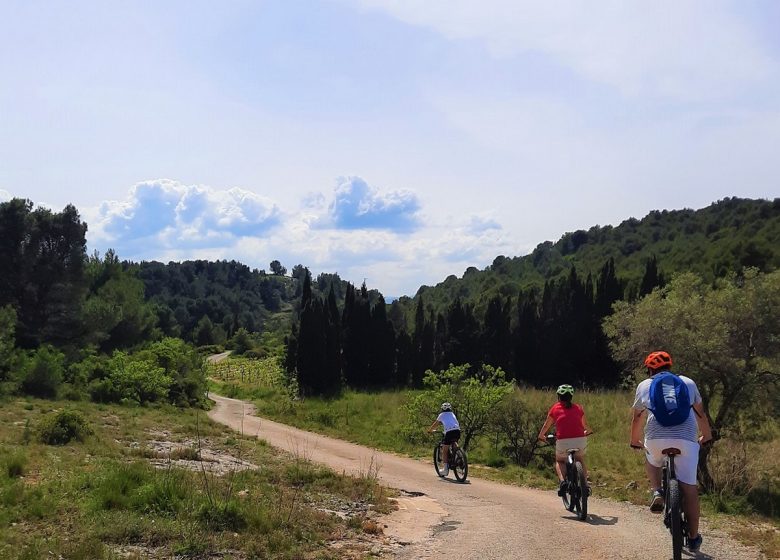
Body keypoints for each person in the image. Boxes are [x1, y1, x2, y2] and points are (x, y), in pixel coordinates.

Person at [630, 350, 713, 554]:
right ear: (670, 365)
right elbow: (700, 413)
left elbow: (638, 418)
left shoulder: (644, 386)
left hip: (657, 438)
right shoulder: (687, 382)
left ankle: (657, 490)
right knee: (690, 489)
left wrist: (634, 440)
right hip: (685, 439)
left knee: (652, 460)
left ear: (649, 369)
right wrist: (707, 436)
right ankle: (693, 539)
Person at [537, 384, 593, 496]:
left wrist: (541, 435)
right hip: (579, 440)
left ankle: (563, 482)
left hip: (563, 441)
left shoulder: (555, 408)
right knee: (580, 459)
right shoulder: (578, 408)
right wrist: (589, 431)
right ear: (571, 397)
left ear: (558, 397)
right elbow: (585, 426)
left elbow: (546, 425)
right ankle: (585, 486)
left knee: (560, 460)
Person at [427, 402, 461, 476]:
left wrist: (429, 430)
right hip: (457, 431)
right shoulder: (452, 414)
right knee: (454, 442)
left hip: (449, 432)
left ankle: (445, 470)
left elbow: (435, 424)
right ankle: (458, 456)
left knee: (445, 450)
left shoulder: (441, 415)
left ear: (442, 409)